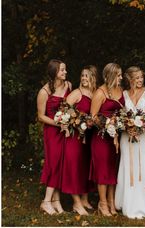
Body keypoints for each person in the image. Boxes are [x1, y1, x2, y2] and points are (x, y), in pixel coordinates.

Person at [115, 66, 145, 219]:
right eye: (137, 78)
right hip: (127, 137)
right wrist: (127, 127)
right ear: (130, 79)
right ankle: (127, 202)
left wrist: (141, 127)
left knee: (143, 165)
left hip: (144, 137)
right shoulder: (124, 94)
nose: (140, 80)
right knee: (128, 166)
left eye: (141, 77)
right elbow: (120, 115)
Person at [61, 66, 98, 215]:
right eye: (82, 76)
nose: (83, 78)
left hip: (88, 137)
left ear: (93, 78)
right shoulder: (77, 93)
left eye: (87, 76)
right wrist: (76, 120)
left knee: (84, 168)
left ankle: (84, 199)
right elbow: (63, 110)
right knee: (74, 168)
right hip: (74, 137)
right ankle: (76, 203)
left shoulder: (95, 94)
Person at [37, 59, 72, 215]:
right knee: (54, 163)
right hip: (52, 131)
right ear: (54, 72)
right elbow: (40, 116)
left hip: (65, 130)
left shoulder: (68, 86)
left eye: (65, 69)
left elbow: (71, 108)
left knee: (61, 163)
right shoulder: (44, 92)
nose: (65, 72)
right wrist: (58, 124)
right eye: (62, 70)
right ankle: (46, 201)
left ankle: (56, 201)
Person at [90, 63, 124, 216]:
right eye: (119, 75)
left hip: (117, 139)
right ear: (111, 76)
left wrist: (120, 124)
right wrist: (108, 125)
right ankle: (103, 204)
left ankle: (111, 202)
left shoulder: (121, 90)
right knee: (103, 171)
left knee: (113, 170)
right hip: (102, 138)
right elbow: (93, 116)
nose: (121, 78)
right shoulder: (100, 93)